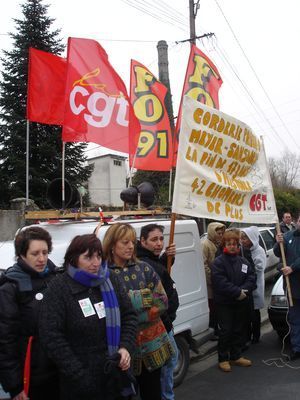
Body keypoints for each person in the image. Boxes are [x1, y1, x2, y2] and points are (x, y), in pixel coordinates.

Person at [39, 234, 138, 400]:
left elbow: (129, 316)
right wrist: (80, 375)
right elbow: (51, 336)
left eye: (99, 256)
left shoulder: (110, 279)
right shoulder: (59, 288)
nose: (96, 263)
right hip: (80, 384)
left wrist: (125, 347)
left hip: (116, 376)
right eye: (88, 257)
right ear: (73, 258)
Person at [103, 223, 174, 400]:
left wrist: (128, 305)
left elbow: (163, 301)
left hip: (151, 345)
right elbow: (107, 311)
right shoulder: (103, 274)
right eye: (124, 242)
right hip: (123, 349)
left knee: (153, 393)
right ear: (112, 245)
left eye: (131, 242)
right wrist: (142, 299)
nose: (130, 246)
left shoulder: (144, 268)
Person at [0, 226, 59, 400]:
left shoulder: (56, 278)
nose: (42, 259)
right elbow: (5, 342)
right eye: (35, 254)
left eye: (45, 252)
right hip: (31, 379)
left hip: (60, 372)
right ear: (22, 255)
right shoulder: (10, 289)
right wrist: (15, 387)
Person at [137, 223, 179, 400]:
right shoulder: (144, 264)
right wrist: (167, 318)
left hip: (166, 322)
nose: (159, 243)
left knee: (169, 362)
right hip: (161, 324)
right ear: (142, 241)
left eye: (161, 238)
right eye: (154, 239)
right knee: (166, 364)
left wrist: (166, 258)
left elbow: (160, 272)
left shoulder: (150, 260)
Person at [211, 229, 256, 372]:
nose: (232, 246)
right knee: (226, 331)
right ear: (224, 244)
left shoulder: (243, 261)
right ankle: (223, 358)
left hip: (241, 301)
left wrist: (244, 291)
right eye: (229, 243)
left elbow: (251, 277)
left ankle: (236, 356)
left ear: (238, 245)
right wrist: (237, 292)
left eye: (234, 244)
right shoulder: (218, 262)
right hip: (225, 303)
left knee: (238, 329)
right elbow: (220, 282)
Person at [274, 215, 300, 360]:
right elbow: (278, 254)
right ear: (297, 221)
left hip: (295, 277)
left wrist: (293, 268)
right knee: (295, 319)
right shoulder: (287, 235)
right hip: (292, 286)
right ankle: (297, 348)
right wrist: (278, 243)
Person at [241, 227, 266, 343]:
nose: (242, 240)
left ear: (252, 238)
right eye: (242, 237)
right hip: (246, 286)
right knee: (246, 313)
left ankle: (256, 336)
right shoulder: (243, 250)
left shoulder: (259, 251)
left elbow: (259, 268)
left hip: (256, 286)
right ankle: (247, 335)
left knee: (255, 312)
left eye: (245, 238)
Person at [201, 222, 225, 338]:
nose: (220, 235)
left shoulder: (217, 243)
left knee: (216, 307)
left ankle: (216, 328)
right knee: (212, 308)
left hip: (217, 282)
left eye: (222, 233)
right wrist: (212, 278)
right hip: (211, 283)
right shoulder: (205, 244)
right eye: (218, 233)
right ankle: (213, 331)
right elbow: (203, 264)